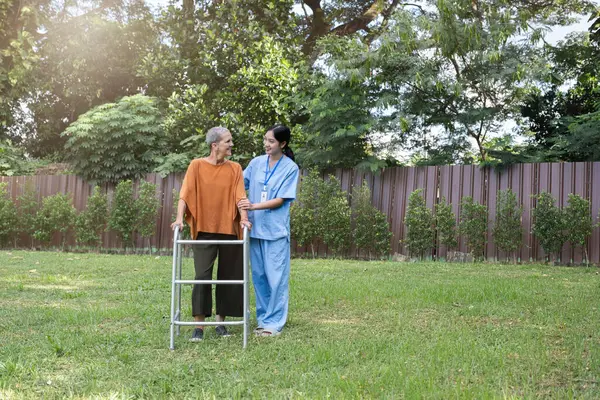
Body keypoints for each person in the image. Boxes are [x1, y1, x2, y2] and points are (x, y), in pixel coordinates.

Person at [171, 126, 251, 342]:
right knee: (202, 276)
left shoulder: (235, 168)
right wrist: (179, 219)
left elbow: (240, 196)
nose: (232, 145)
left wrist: (244, 218)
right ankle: (199, 326)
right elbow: (184, 195)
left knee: (229, 277)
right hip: (205, 229)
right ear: (215, 145)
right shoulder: (196, 165)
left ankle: (220, 323)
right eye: (228, 141)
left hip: (229, 230)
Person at [238, 124, 299, 337]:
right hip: (255, 231)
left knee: (276, 278)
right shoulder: (255, 163)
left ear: (282, 144)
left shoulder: (290, 168)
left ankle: (274, 323)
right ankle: (263, 319)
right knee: (260, 277)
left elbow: (282, 199)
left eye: (271, 141)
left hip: (275, 232)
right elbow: (238, 183)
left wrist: (253, 206)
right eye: (265, 139)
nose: (266, 144)